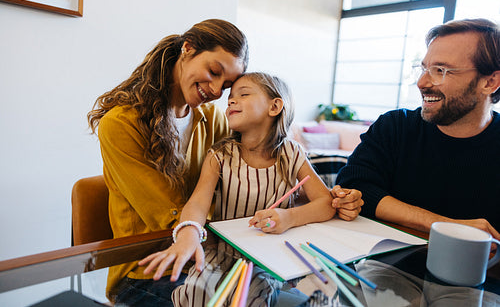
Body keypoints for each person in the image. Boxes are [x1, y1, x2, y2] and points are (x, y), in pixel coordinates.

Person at [139, 72, 363, 306]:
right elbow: (197, 203)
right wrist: (188, 233)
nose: (231, 101)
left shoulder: (292, 153)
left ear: (275, 106)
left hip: (270, 259)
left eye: (243, 94)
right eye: (230, 99)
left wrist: (289, 217)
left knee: (252, 299)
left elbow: (326, 203)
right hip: (222, 255)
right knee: (195, 294)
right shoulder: (220, 155)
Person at [87, 19, 249, 306]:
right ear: (187, 48)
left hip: (207, 259)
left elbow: (246, 176)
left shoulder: (213, 120)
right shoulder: (121, 124)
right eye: (213, 72)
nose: (214, 90)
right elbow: (170, 215)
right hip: (146, 272)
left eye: (225, 86)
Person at [336, 18, 500, 240]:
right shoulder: (395, 126)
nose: (422, 82)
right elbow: (354, 187)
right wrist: (446, 225)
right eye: (424, 69)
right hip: (384, 264)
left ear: (490, 83)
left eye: (440, 70)